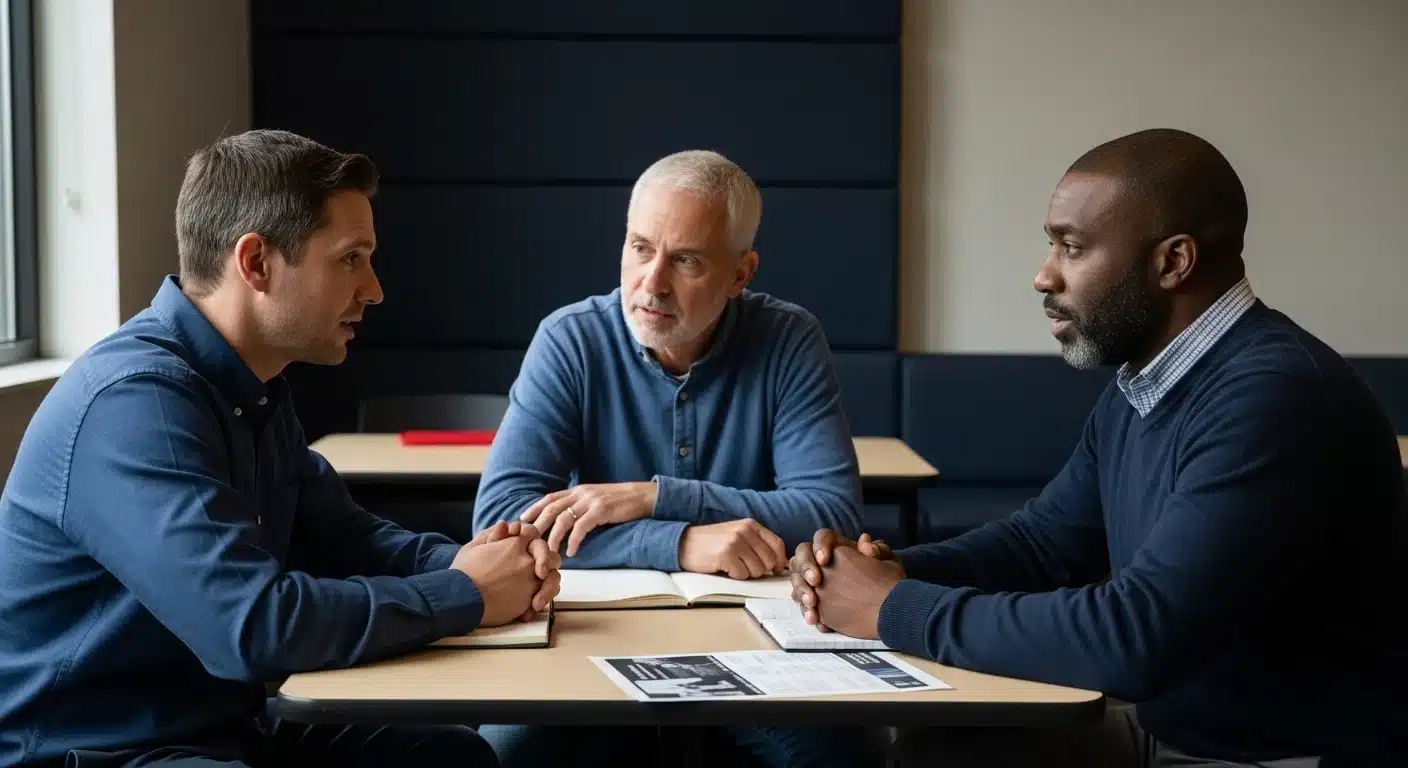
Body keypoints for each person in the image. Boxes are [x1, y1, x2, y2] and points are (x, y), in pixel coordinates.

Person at [790, 128, 1408, 767]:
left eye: (1072, 247)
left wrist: (891, 607)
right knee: (936, 752)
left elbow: (1137, 636)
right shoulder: (1144, 382)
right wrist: (884, 571)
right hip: (1168, 737)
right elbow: (1042, 546)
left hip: (1276, 759)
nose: (1043, 275)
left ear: (1173, 262)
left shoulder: (1274, 398)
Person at [0, 129, 561, 767]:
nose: (374, 289)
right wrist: (465, 593)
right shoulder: (135, 404)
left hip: (216, 738)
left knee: (451, 759)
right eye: (351, 258)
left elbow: (343, 537)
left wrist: (472, 561)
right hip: (94, 753)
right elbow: (253, 628)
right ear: (256, 263)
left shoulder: (251, 384)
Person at [472, 150, 881, 766]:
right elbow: (501, 523)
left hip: (753, 651)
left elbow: (830, 515)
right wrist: (684, 542)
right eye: (640, 248)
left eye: (685, 260)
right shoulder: (571, 339)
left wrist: (654, 496)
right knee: (506, 751)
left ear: (740, 274)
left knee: (841, 754)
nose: (652, 283)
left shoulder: (788, 339)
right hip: (595, 645)